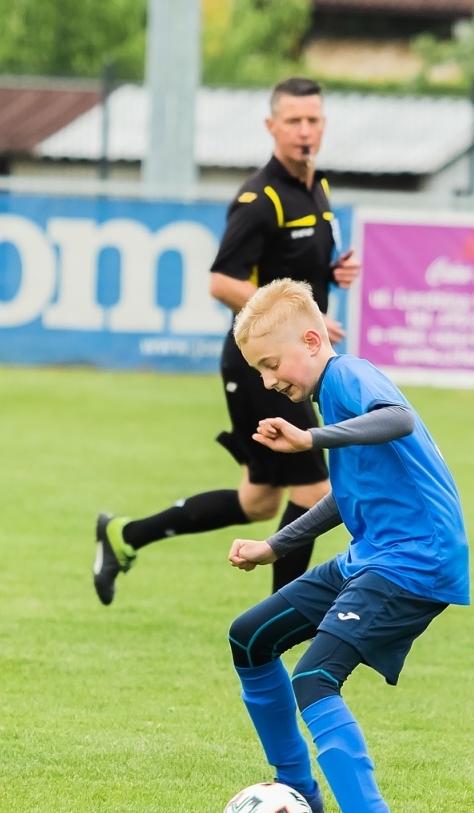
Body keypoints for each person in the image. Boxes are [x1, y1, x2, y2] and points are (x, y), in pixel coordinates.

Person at [223, 279, 468, 813]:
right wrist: (275, 546)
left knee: (314, 678)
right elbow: (349, 494)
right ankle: (297, 791)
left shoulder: (348, 375)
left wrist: (310, 437)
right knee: (250, 638)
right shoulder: (330, 394)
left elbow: (398, 419)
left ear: (312, 341)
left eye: (271, 364)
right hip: (373, 554)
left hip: (414, 560)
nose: (268, 381)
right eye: (258, 370)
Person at [93, 77, 358, 603]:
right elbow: (221, 281)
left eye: (313, 120)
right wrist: (297, 317)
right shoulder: (260, 198)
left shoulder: (316, 187)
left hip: (290, 362)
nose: (304, 130)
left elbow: (289, 265)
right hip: (261, 365)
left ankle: (125, 535)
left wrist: (331, 273)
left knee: (260, 502)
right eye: (293, 121)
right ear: (271, 126)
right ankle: (282, 621)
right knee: (314, 490)